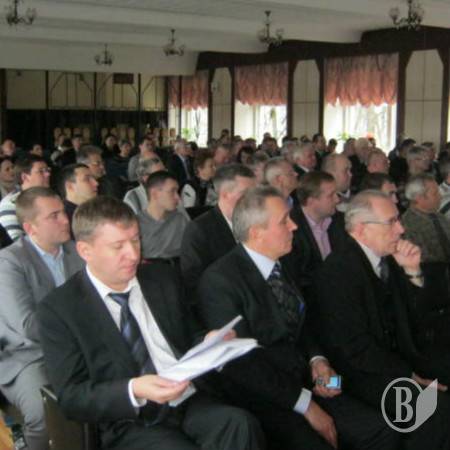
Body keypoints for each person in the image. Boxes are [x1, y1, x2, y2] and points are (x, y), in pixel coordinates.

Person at [37, 196, 266, 450]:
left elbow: (188, 334)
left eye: (136, 240)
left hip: (186, 397)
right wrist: (134, 389)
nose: (133, 254)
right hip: (128, 419)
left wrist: (208, 341)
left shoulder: (161, 277)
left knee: (239, 424)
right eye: (118, 246)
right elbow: (72, 396)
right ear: (85, 251)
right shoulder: (60, 309)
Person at [197, 186, 398, 450]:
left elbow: (302, 323)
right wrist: (306, 404)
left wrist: (318, 360)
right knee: (343, 436)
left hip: (310, 378)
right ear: (256, 232)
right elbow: (242, 364)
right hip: (267, 397)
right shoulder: (220, 281)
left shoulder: (285, 261)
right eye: (284, 221)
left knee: (381, 424)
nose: (294, 226)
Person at [314, 190, 450, 450]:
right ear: (362, 229)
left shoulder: (389, 259)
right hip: (360, 375)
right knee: (435, 409)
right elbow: (354, 348)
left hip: (398, 359)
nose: (401, 229)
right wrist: (408, 374)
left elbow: (421, 322)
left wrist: (413, 272)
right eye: (391, 222)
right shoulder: (338, 272)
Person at [0, 187, 83, 450]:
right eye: (54, 216)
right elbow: (28, 326)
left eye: (63, 213)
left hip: (79, 346)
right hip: (29, 355)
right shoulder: (9, 262)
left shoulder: (77, 251)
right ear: (30, 227)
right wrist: (83, 325)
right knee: (43, 413)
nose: (66, 220)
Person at [180, 164, 255, 296]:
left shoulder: (257, 221)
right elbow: (194, 282)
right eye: (245, 194)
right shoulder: (200, 230)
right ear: (225, 194)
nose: (253, 199)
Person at [282, 172, 347, 300]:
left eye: (336, 193)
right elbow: (296, 279)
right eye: (331, 195)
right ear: (311, 201)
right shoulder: (291, 228)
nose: (337, 199)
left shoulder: (340, 221)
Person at [138, 171, 190, 261]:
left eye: (177, 192)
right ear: (154, 194)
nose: (178, 197)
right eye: (172, 191)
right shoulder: (136, 224)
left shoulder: (180, 218)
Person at [0, 155, 51, 241]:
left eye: (47, 170)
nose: (48, 174)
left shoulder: (51, 197)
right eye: (41, 171)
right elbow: (17, 243)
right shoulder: (10, 204)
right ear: (25, 177)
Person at [402, 173, 450, 264]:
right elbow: (425, 261)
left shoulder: (439, 217)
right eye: (435, 194)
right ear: (419, 198)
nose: (440, 196)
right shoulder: (408, 226)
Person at [58, 164, 98, 237]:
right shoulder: (64, 219)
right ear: (70, 186)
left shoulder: (96, 209)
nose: (96, 183)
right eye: (87, 179)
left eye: (94, 178)